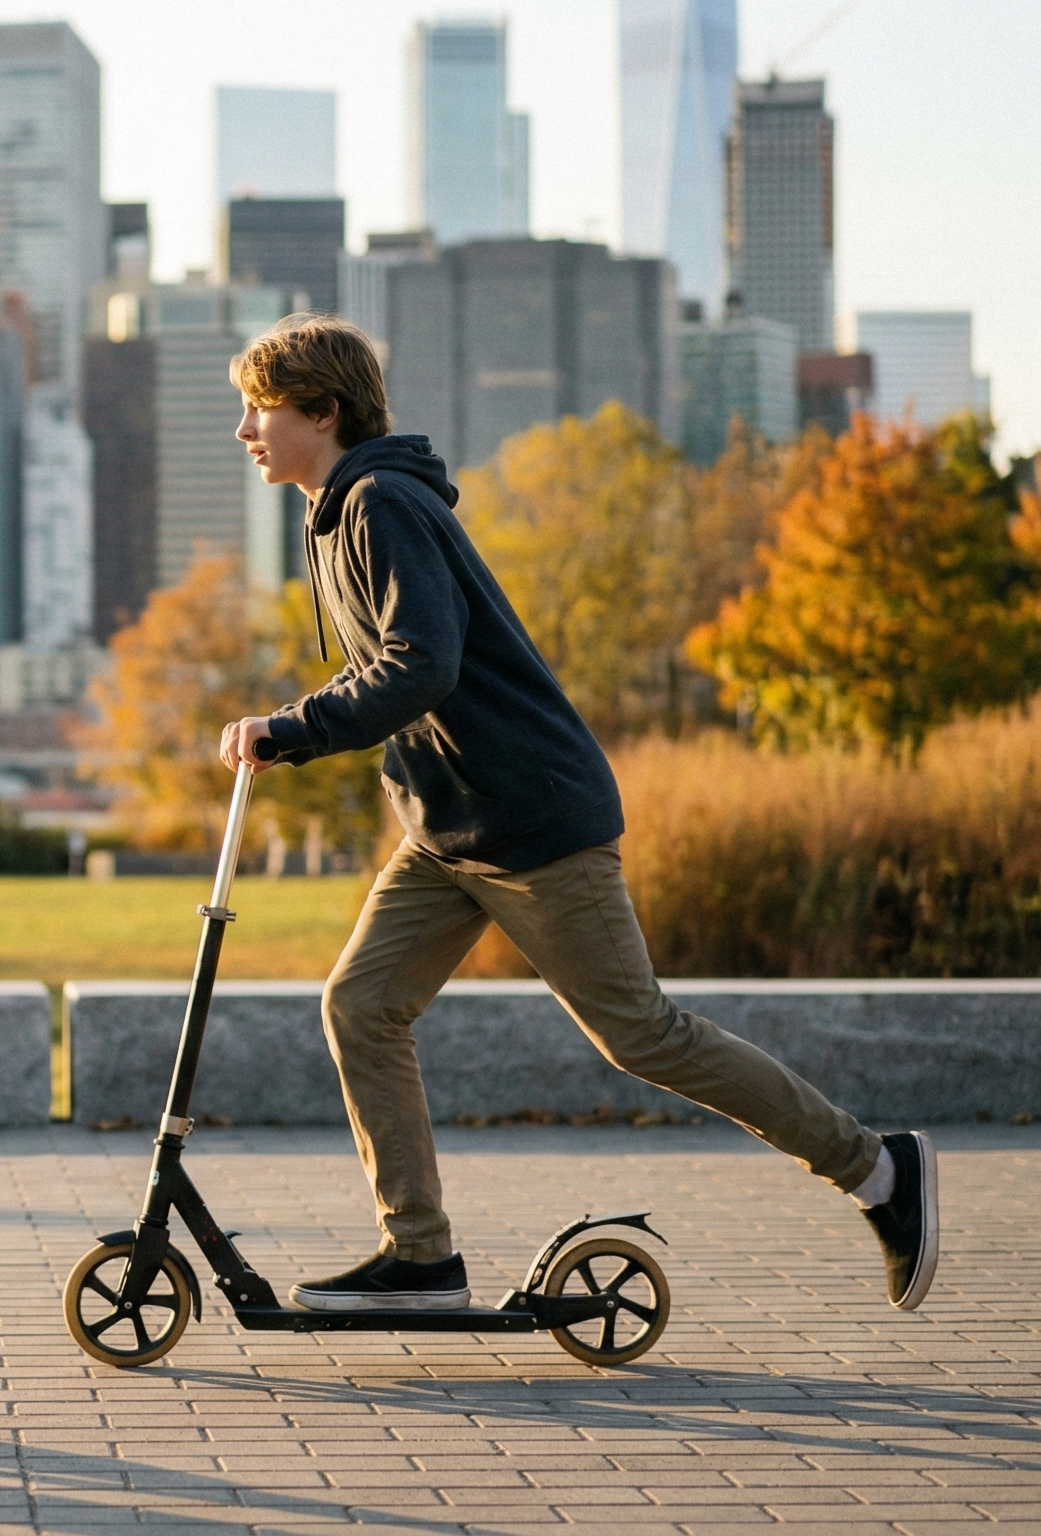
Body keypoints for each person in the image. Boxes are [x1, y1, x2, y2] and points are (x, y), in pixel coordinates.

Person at [216, 313, 938, 1314]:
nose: (245, 430)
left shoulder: (380, 501)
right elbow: (389, 667)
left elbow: (420, 664)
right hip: (447, 827)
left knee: (644, 1036)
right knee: (359, 1005)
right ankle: (419, 1258)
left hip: (530, 819)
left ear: (321, 410)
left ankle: (877, 1171)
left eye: (258, 409)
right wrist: (318, 732)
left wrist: (291, 727)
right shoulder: (335, 512)